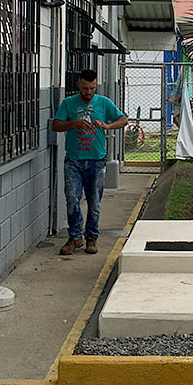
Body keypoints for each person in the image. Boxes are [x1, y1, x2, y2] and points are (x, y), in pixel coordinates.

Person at [52, 69, 127, 256]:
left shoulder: (104, 103)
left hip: (96, 160)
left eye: (92, 88)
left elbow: (123, 119)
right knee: (72, 198)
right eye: (85, 88)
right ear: (78, 84)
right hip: (74, 160)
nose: (88, 92)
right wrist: (75, 123)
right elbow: (56, 125)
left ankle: (91, 236)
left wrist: (108, 126)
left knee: (94, 202)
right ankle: (75, 236)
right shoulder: (69, 103)